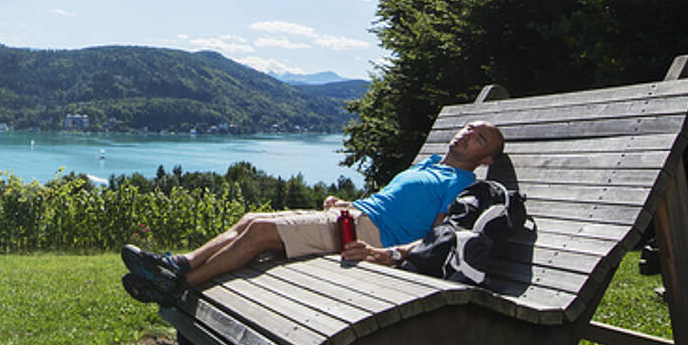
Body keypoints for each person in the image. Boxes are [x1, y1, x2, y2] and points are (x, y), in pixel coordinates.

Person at [121, 121, 504, 304]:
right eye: (469, 128)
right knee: (252, 219)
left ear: (483, 159)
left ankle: (177, 286)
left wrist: (385, 254)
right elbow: (390, 200)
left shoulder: (462, 185)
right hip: (355, 218)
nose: (466, 134)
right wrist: (347, 206)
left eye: (478, 138)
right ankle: (177, 262)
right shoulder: (431, 164)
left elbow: (438, 238)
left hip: (370, 235)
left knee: (260, 235)